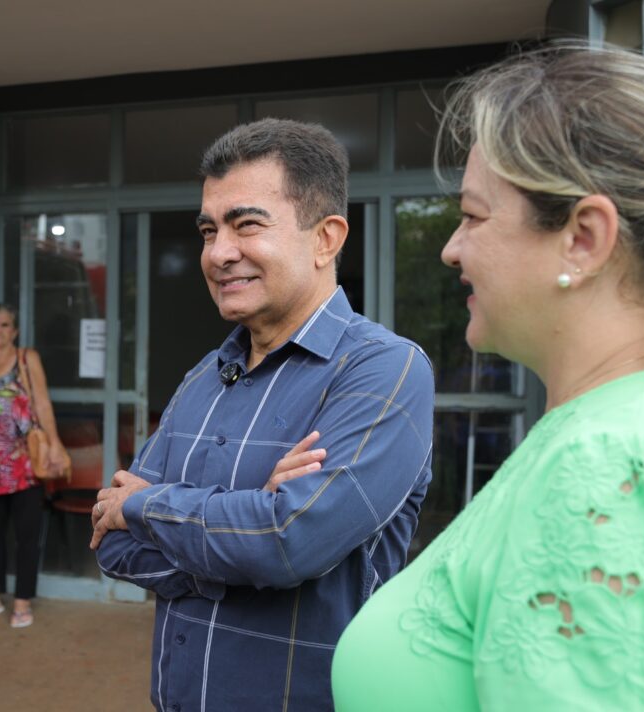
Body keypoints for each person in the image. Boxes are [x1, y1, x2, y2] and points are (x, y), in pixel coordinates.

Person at [331, 43, 644, 711]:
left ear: (583, 238)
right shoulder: (610, 426)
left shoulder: (610, 463)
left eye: (473, 215)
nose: (450, 248)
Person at [90, 118, 435, 710]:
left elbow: (287, 541)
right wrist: (244, 536)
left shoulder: (384, 370)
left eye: (246, 224)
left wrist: (147, 506)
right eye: (208, 230)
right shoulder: (203, 376)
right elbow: (110, 542)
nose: (220, 253)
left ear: (326, 238)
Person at [0, 303, 65, 629]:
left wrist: (56, 444)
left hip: (24, 463)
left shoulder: (26, 360)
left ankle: (21, 601)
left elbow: (43, 404)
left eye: (5, 325)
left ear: (14, 331)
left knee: (26, 535)